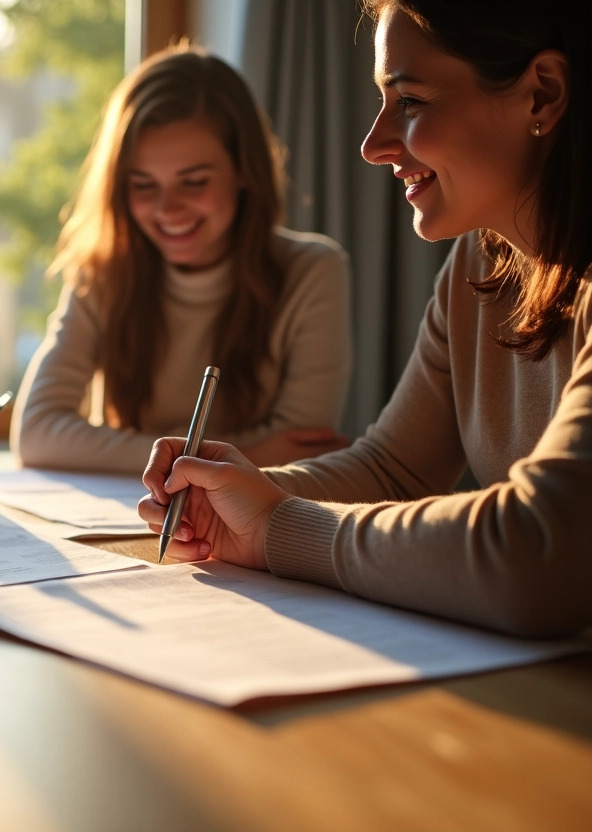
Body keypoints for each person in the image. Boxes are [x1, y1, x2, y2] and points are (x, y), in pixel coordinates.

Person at [139, 0, 592, 637]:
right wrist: (243, 494)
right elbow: (392, 470)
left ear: (542, 94)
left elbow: (539, 555)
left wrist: (278, 529)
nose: (373, 144)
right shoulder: (481, 260)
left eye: (410, 101)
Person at [10, 44, 353, 474]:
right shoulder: (102, 272)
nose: (168, 210)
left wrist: (129, 452)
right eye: (143, 184)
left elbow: (304, 444)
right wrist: (252, 455)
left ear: (244, 170)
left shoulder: (312, 271)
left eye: (193, 182)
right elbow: (37, 434)